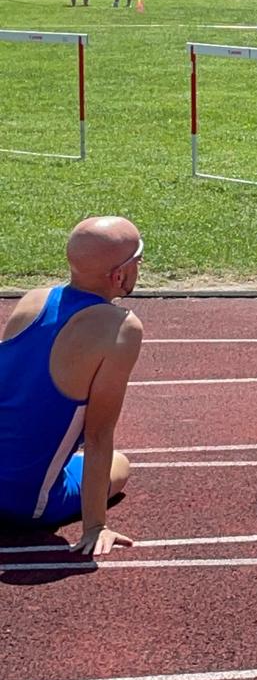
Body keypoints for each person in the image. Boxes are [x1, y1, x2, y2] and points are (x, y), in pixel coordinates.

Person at [0, 217, 143, 554]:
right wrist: (96, 526)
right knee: (119, 465)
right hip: (24, 502)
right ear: (118, 275)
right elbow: (98, 435)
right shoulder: (121, 328)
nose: (142, 265)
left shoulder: (33, 300)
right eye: (138, 258)